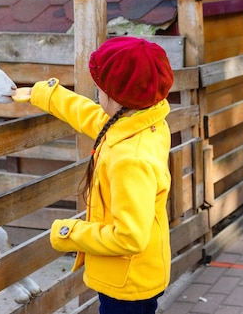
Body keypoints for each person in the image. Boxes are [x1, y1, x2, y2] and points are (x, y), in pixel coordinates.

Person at [23, 36, 174, 314]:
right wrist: (48, 95)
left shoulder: (129, 159)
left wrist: (69, 232)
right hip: (137, 273)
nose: (98, 96)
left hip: (126, 285)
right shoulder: (143, 122)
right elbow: (95, 118)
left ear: (116, 98)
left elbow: (129, 237)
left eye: (100, 91)